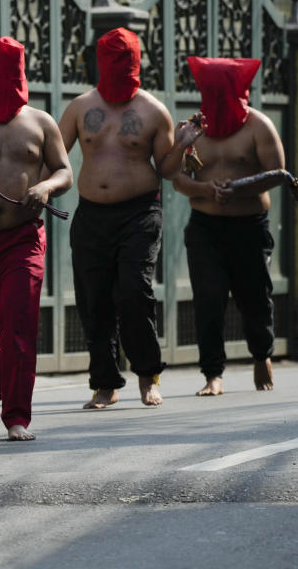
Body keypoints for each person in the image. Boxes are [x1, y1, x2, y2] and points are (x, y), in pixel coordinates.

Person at [57, 27, 192, 410]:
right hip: (91, 216)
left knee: (134, 292)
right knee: (93, 299)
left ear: (135, 62)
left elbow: (166, 169)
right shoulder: (80, 107)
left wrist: (181, 145)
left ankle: (148, 375)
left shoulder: (152, 110)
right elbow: (55, 153)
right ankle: (105, 383)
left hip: (139, 213)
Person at [0, 37, 73, 441]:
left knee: (18, 325)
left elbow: (64, 171)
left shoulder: (41, 121)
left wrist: (47, 187)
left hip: (24, 238)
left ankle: (18, 416)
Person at [172, 56, 284, 396]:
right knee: (208, 297)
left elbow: (277, 173)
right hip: (206, 227)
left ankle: (262, 353)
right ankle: (212, 374)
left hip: (249, 226)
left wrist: (236, 189)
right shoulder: (192, 129)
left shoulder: (259, 126)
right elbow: (175, 177)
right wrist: (206, 190)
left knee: (255, 298)